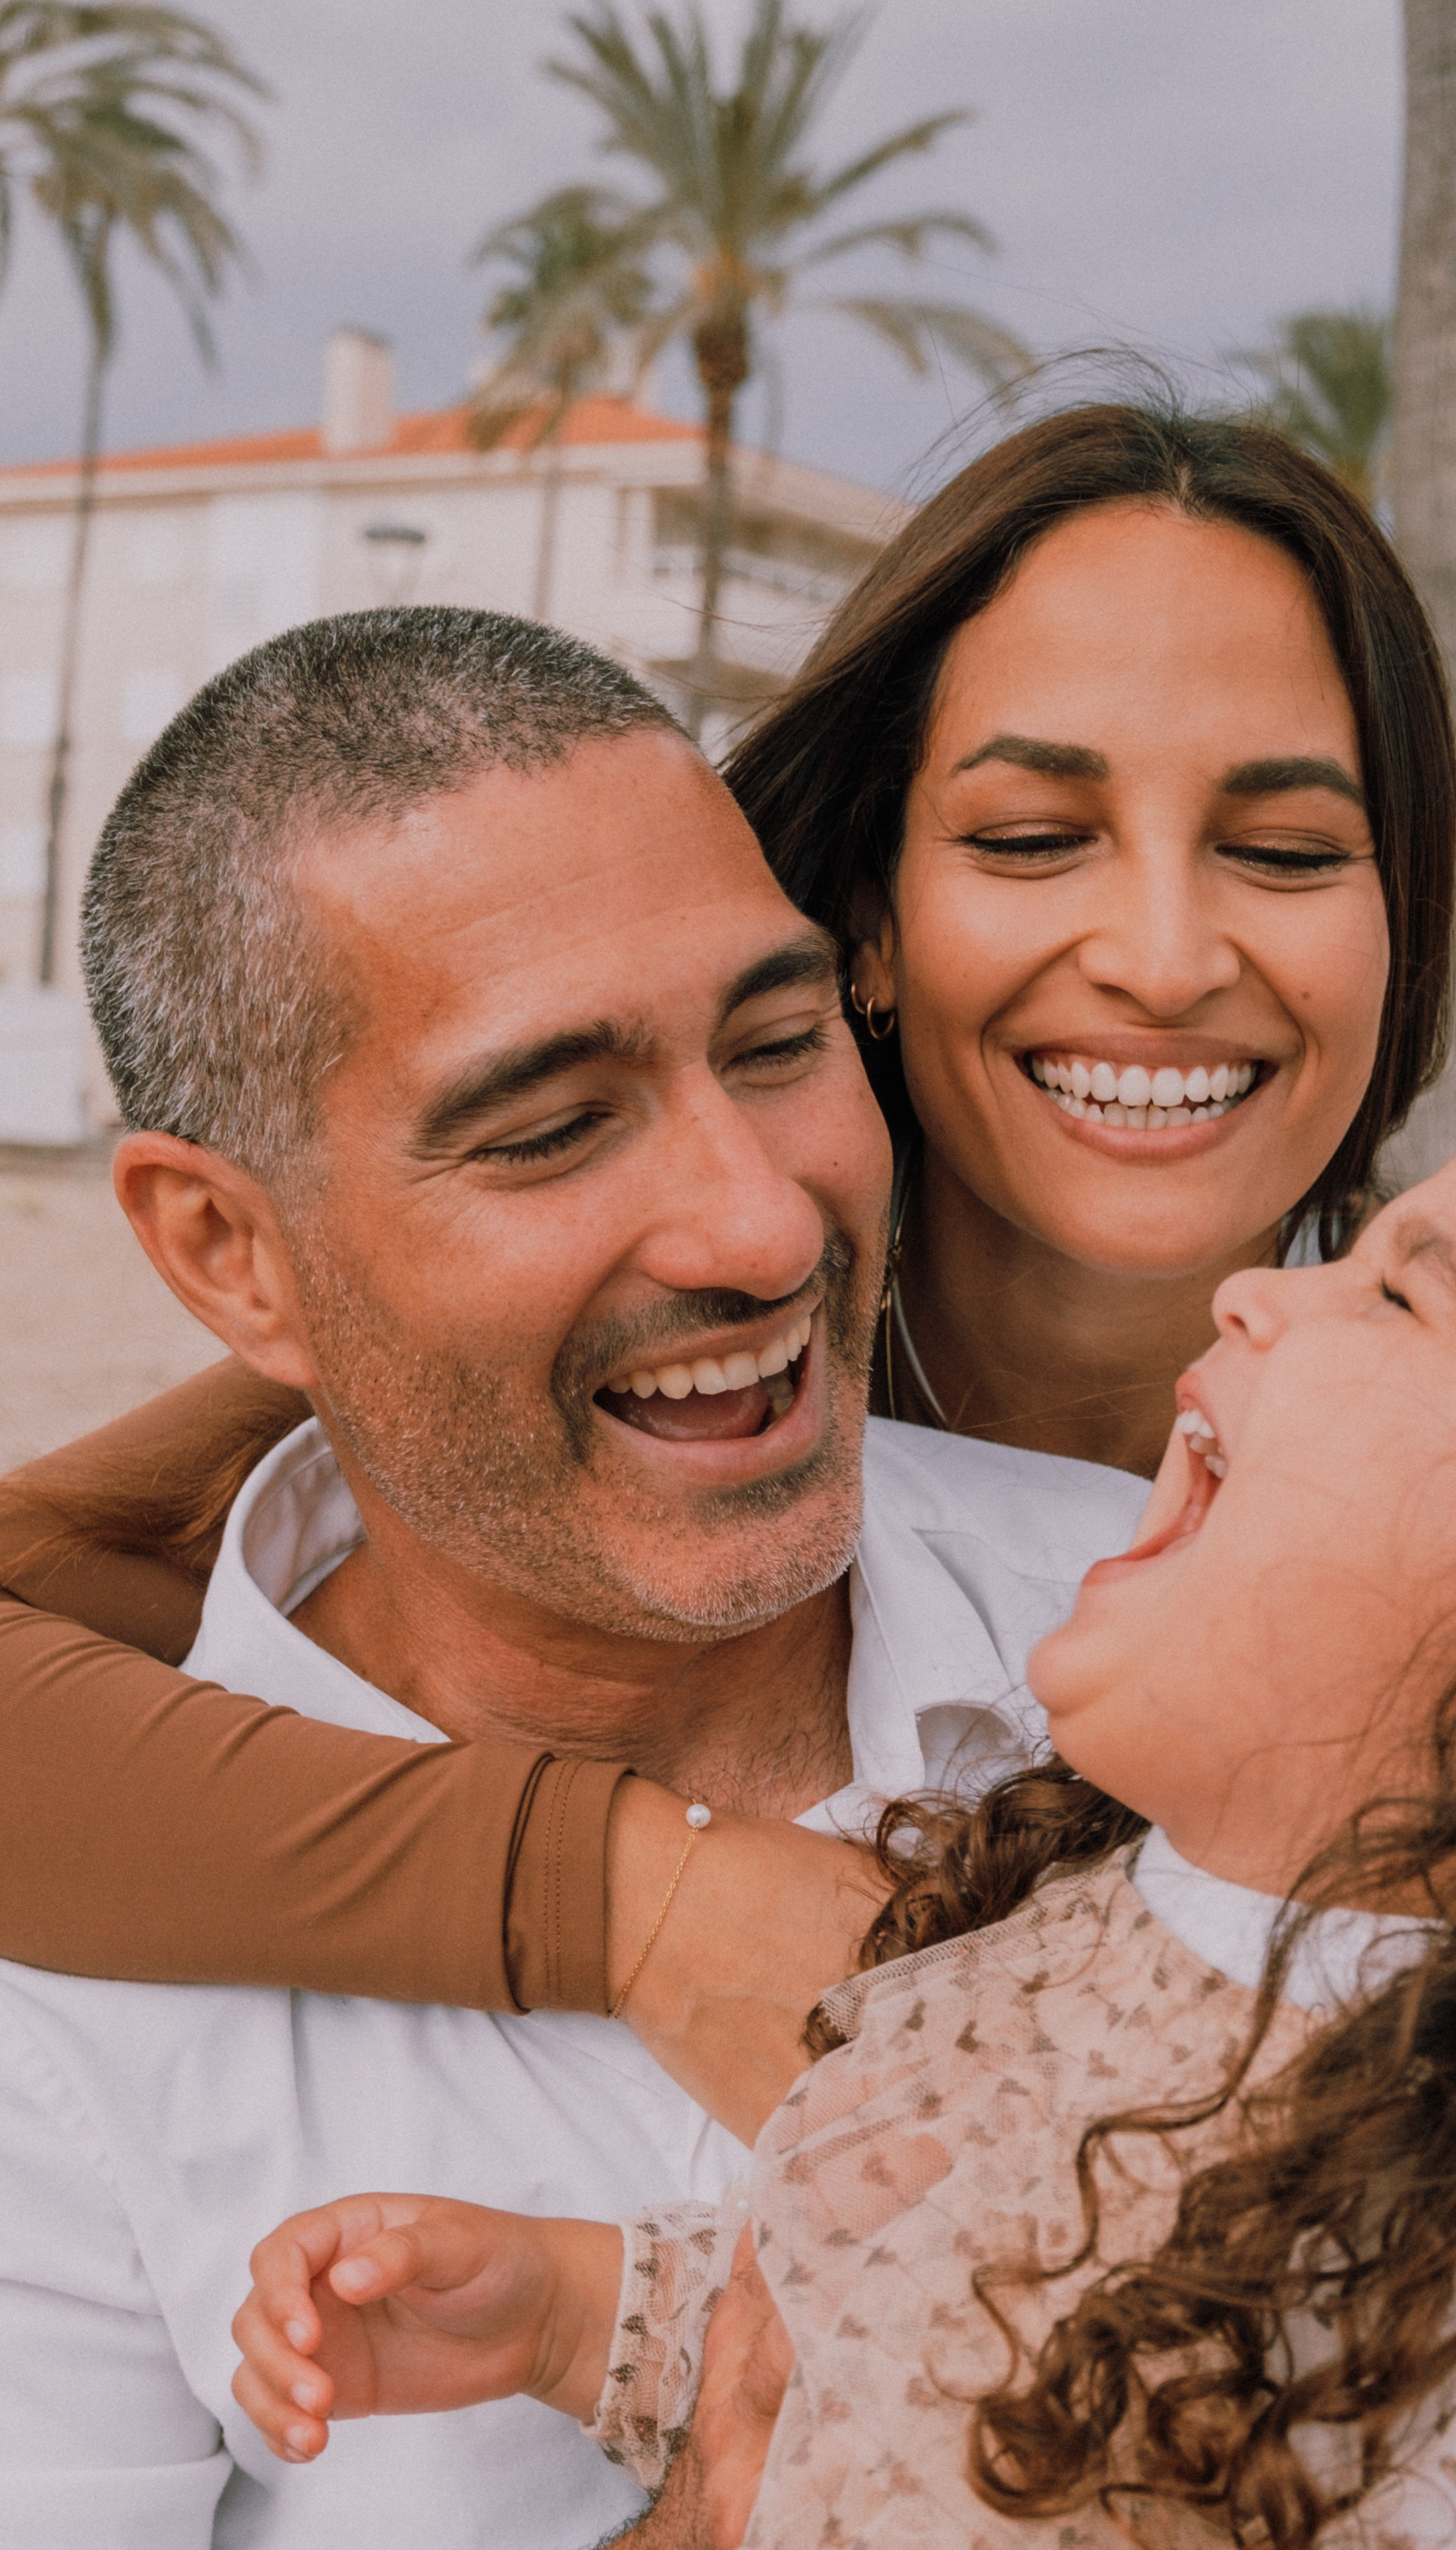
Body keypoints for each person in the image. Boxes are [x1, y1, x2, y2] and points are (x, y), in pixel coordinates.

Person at [0, 399, 1456, 2008]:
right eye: (1035, 838)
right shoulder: (567, 1351)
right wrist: (624, 1898)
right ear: (866, 922)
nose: (1164, 959)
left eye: (1285, 849)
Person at [0, 606, 1145, 2550]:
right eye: (548, 1130)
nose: (762, 1219)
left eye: (781, 1045)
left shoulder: (1184, 1631)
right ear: (225, 1254)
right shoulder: (57, 2034)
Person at [230, 1092, 1456, 2549]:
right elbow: (886, 2303)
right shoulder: (1084, 1898)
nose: (1254, 1290)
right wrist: (577, 2315)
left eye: (1392, 1294)